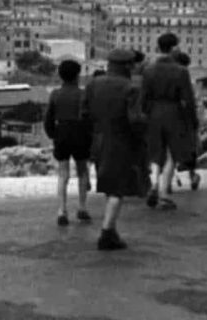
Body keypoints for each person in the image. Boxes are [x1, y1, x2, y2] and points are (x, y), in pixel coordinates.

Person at [83, 49, 146, 250]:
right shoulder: (130, 88)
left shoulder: (93, 84)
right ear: (127, 66)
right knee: (118, 187)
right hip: (121, 141)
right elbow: (135, 120)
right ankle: (107, 231)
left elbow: (83, 114)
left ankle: (111, 228)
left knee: (109, 183)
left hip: (98, 140)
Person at [141, 33, 197, 210]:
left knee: (156, 152)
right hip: (174, 113)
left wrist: (146, 114)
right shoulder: (181, 71)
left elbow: (143, 97)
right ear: (173, 48)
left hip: (154, 113)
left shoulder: (149, 70)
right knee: (172, 154)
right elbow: (188, 98)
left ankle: (154, 184)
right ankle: (164, 193)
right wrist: (192, 120)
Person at [43, 60, 92, 226]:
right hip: (80, 133)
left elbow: (48, 118)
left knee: (63, 174)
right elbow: (88, 117)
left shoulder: (55, 94)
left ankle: (62, 210)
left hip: (62, 133)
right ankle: (82, 208)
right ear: (77, 75)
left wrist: (52, 134)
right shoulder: (83, 94)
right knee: (82, 172)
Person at [172, 51, 201, 192]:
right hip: (184, 119)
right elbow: (190, 100)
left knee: (169, 150)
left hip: (169, 118)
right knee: (190, 147)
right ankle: (192, 175)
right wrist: (194, 119)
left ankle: (168, 179)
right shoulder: (184, 76)